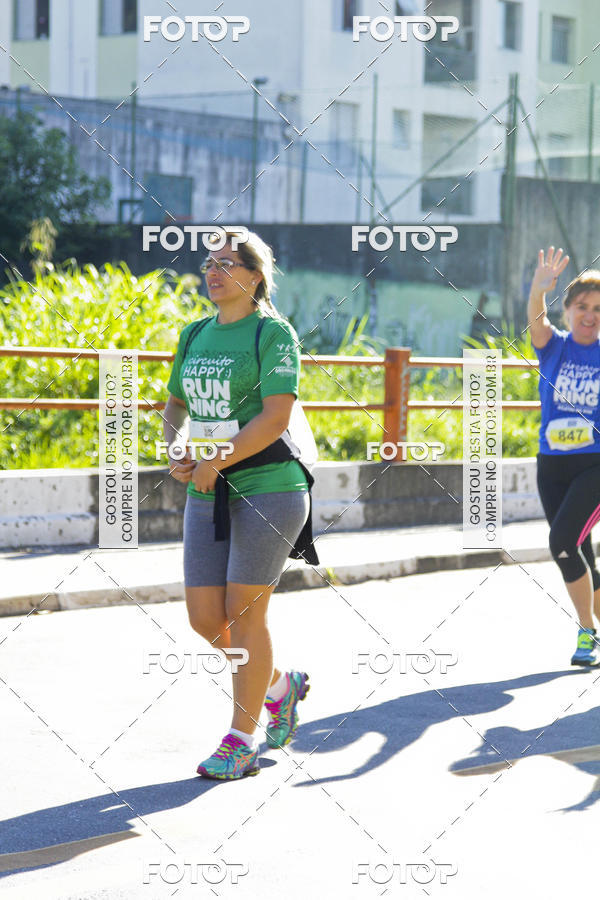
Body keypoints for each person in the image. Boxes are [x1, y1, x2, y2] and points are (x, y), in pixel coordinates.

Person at [163, 230, 317, 779]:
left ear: (255, 276)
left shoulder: (272, 333)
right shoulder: (194, 333)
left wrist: (217, 460)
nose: (214, 271)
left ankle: (241, 740)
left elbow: (275, 417)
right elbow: (175, 405)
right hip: (207, 489)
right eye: (209, 262)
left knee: (245, 611)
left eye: (227, 263)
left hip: (271, 487)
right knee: (206, 617)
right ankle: (277, 686)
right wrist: (177, 449)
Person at [528, 246, 600, 666]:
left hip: (594, 464)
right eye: (582, 307)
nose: (590, 315)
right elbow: (536, 322)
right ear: (568, 310)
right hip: (551, 466)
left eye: (598, 309)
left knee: (561, 544)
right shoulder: (553, 347)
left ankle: (586, 633)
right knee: (581, 550)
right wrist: (539, 289)